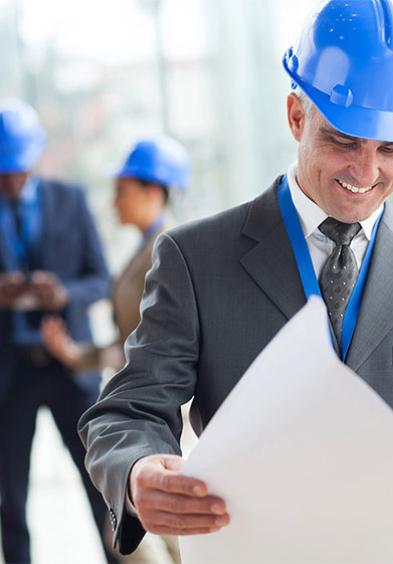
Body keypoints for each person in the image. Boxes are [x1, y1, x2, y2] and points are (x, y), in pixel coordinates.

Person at [78, 0, 393, 557]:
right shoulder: (195, 261)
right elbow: (129, 410)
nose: (366, 173)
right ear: (296, 116)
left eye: (391, 148)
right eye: (343, 140)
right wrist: (139, 469)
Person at [42, 136, 190, 564]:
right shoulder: (148, 249)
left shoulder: (170, 252)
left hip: (164, 411)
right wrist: (74, 354)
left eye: (122, 190)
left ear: (152, 191)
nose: (114, 202)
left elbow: (151, 347)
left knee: (148, 532)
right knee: (151, 528)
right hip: (143, 403)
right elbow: (130, 342)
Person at [0, 98, 116, 563]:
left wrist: (63, 294)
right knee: (10, 495)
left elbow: (102, 279)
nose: (10, 182)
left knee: (100, 486)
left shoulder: (70, 201)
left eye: (18, 171)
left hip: (70, 366)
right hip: (10, 374)